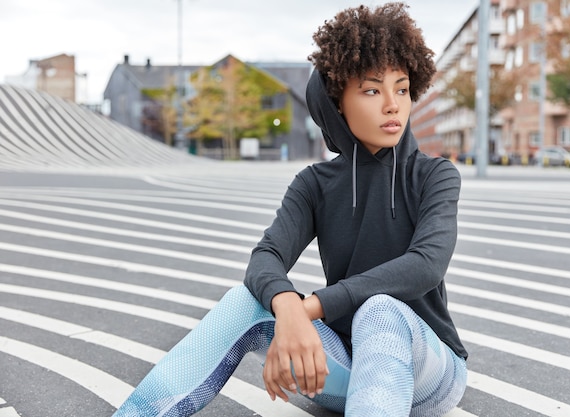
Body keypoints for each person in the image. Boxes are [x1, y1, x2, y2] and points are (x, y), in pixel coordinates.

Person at [112, 2, 467, 416]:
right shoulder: (315, 184)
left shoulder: (434, 175)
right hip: (343, 371)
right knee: (245, 302)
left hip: (427, 374)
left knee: (381, 310)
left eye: (401, 88)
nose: (393, 104)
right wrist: (285, 307)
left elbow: (425, 265)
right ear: (337, 105)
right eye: (372, 90)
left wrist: (309, 307)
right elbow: (266, 258)